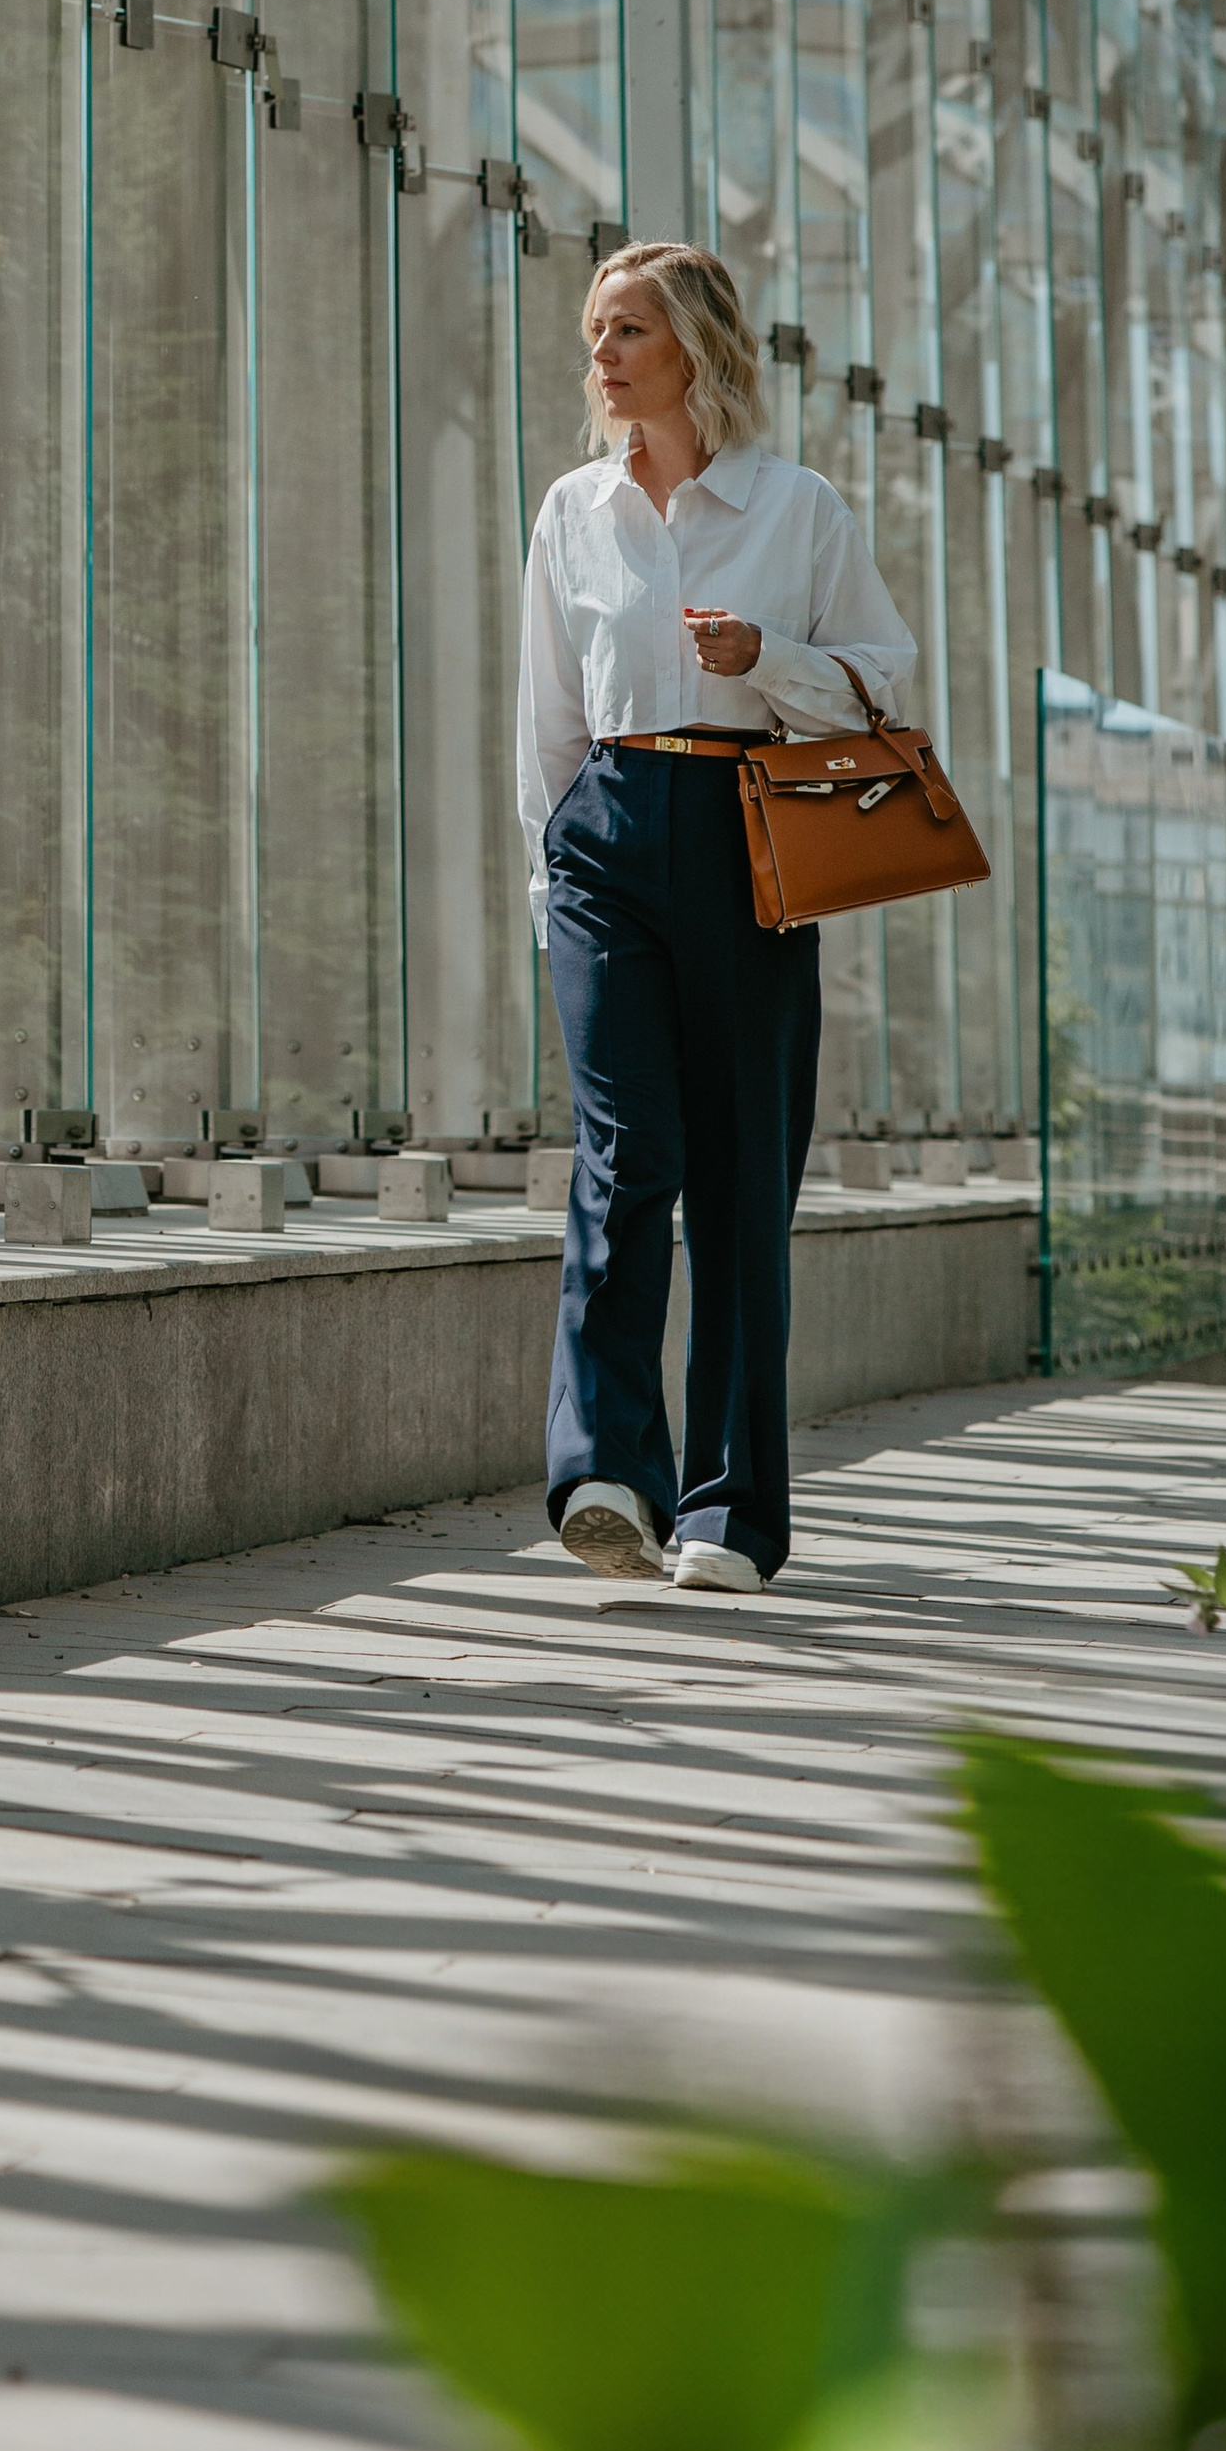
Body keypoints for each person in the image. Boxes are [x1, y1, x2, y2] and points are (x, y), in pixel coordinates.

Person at [517, 242, 915, 1593]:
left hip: (752, 834)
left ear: (695, 345)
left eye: (628, 329)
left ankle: (732, 1514)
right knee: (627, 1158)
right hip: (606, 840)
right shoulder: (572, 511)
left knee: (742, 1177)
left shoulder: (794, 510)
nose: (604, 355)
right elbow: (548, 728)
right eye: (594, 333)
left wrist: (772, 663)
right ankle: (604, 1473)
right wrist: (546, 893)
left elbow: (885, 691)